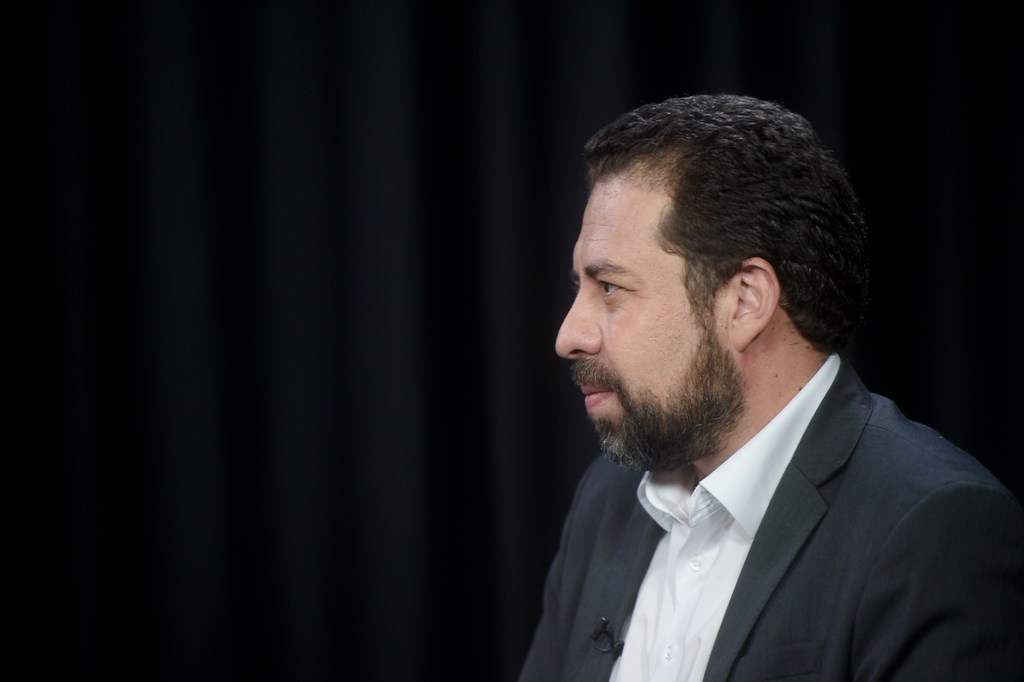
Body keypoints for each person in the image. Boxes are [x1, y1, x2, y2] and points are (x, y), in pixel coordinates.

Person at [518, 93, 1024, 681]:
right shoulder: (606, 499)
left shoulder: (935, 528)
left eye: (609, 288)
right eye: (579, 285)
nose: (568, 335)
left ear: (745, 301)